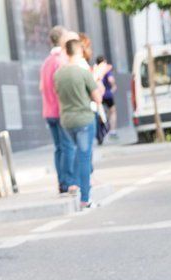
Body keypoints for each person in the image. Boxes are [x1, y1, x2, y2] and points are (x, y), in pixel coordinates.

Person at [55, 38, 103, 207]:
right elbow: (98, 97)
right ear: (80, 52)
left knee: (74, 152)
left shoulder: (59, 74)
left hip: (66, 120)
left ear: (66, 53)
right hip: (84, 118)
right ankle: (85, 199)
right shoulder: (83, 72)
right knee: (84, 157)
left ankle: (73, 184)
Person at [40, 25, 72, 194]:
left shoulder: (46, 62)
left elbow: (41, 87)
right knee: (67, 147)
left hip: (48, 111)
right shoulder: (61, 61)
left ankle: (61, 182)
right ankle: (67, 182)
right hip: (60, 111)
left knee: (59, 147)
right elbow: (62, 87)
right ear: (61, 39)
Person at [97, 55, 118, 140]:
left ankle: (101, 129)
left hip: (98, 95)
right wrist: (113, 86)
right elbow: (110, 80)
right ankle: (112, 130)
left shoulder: (96, 70)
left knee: (100, 112)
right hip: (107, 94)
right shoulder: (106, 70)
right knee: (112, 111)